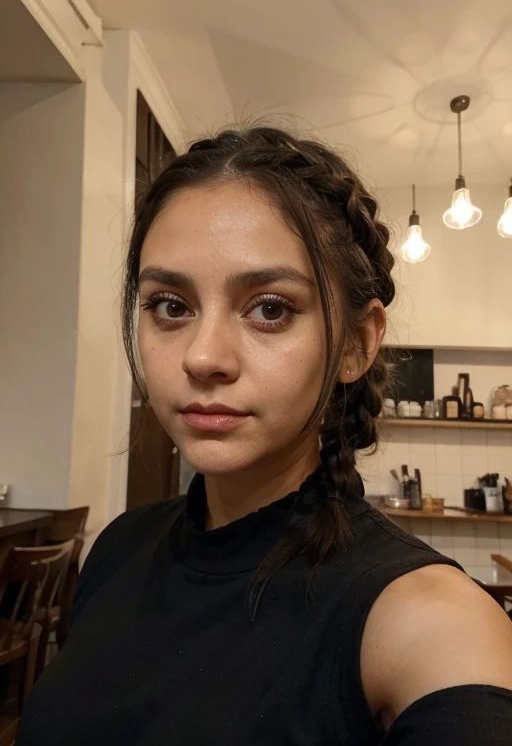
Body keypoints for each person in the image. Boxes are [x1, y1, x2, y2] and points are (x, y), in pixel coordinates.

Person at [17, 126, 512, 745]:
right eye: (170, 305)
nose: (203, 357)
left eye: (270, 308)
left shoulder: (423, 617)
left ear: (357, 344)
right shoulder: (116, 549)